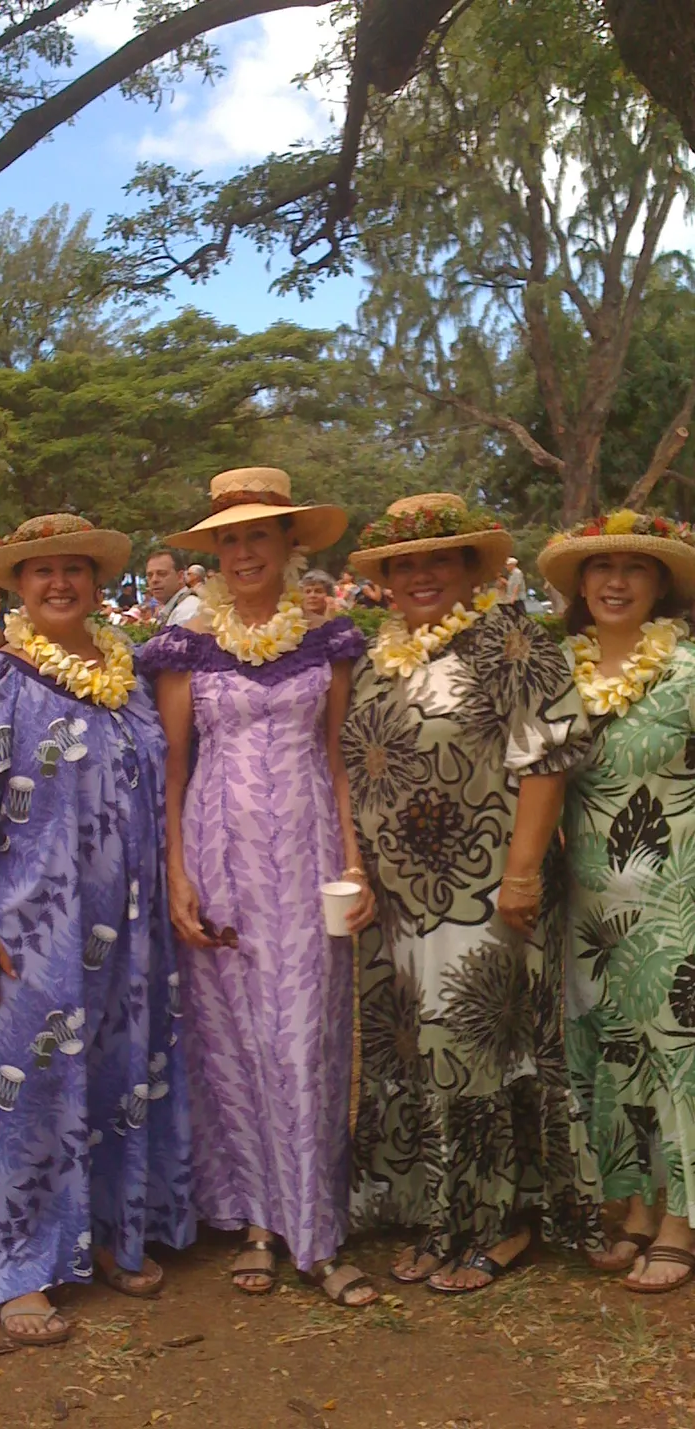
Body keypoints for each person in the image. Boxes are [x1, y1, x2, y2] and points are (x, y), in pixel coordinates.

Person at [0, 513, 194, 1347]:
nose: (59, 584)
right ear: (16, 585)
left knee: (117, 1079)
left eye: (74, 569)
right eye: (40, 572)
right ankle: (18, 1268)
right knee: (22, 1090)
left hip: (123, 926)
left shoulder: (124, 675)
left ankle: (112, 1233)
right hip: (23, 924)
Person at [342, 493, 603, 1294]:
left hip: (486, 889)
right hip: (401, 900)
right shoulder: (377, 658)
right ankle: (439, 1212)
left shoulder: (513, 643)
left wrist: (522, 873)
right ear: (385, 579)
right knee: (418, 1054)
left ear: (470, 568)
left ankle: (504, 1221)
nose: (421, 575)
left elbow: (548, 762)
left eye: (438, 559)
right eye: (405, 564)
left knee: (480, 1053)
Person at [137, 467, 377, 1309]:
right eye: (229, 538)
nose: (244, 551)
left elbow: (340, 755)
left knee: (306, 1037)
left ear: (289, 543)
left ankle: (316, 1229)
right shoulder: (186, 647)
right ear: (213, 550)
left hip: (309, 854)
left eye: (259, 536)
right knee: (234, 1041)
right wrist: (176, 871)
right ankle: (255, 1224)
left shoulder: (330, 638)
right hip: (218, 849)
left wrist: (353, 859)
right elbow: (174, 766)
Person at [539, 511, 695, 1293]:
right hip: (588, 900)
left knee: (679, 1051)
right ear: (579, 586)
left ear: (661, 583)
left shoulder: (689, 672)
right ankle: (632, 1203)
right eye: (601, 569)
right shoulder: (557, 672)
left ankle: (682, 1220)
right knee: (611, 1049)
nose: (616, 582)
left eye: (636, 568)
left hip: (678, 893)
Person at [146, 547, 202, 629]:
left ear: (180, 576)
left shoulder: (187, 611)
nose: (154, 580)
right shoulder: (176, 608)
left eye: (162, 573)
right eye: (150, 575)